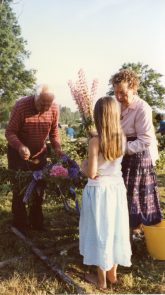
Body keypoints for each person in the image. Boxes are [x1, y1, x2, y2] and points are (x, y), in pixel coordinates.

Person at [80, 96, 131, 289]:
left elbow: (92, 173)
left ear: (98, 116)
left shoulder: (95, 142)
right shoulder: (121, 137)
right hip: (116, 189)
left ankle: (100, 280)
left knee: (100, 230)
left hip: (99, 190)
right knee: (116, 228)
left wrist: (82, 164)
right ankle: (112, 274)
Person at [5, 84, 66, 235]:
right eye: (42, 104)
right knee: (20, 188)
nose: (46, 107)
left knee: (39, 189)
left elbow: (54, 133)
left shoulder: (54, 108)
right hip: (17, 154)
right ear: (35, 98)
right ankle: (20, 224)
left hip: (39, 155)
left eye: (49, 104)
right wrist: (19, 147)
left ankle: (37, 223)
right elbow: (10, 132)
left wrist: (57, 147)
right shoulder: (21, 106)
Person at [112, 69, 162, 246]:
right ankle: (126, 234)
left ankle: (134, 235)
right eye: (116, 92)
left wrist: (122, 149)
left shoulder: (142, 108)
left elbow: (146, 139)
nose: (118, 96)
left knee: (134, 196)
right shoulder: (116, 105)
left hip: (137, 156)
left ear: (133, 89)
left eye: (123, 93)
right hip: (122, 153)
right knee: (123, 194)